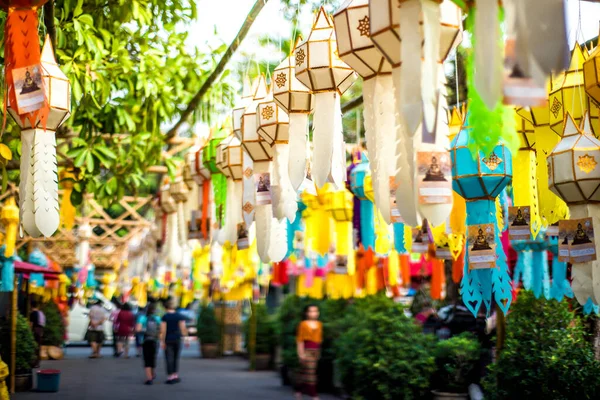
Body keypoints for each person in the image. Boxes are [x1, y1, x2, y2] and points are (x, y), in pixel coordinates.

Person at [295, 304, 322, 400]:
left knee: (305, 372)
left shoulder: (319, 324)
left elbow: (319, 339)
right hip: (306, 350)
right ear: (306, 313)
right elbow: (300, 340)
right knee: (311, 373)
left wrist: (319, 352)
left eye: (315, 311)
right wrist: (301, 353)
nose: (313, 313)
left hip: (316, 351)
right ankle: (313, 394)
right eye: (311, 311)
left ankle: (299, 390)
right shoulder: (303, 324)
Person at [160, 298, 188, 384]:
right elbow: (183, 328)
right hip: (177, 338)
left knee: (169, 358)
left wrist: (162, 341)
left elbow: (162, 330)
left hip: (168, 339)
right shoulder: (179, 316)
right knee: (176, 357)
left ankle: (170, 376)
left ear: (166, 307)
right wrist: (186, 339)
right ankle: (175, 375)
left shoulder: (165, 317)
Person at [136, 303, 161, 385]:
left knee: (147, 359)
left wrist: (144, 331)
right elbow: (161, 330)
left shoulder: (142, 318)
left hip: (145, 340)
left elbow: (138, 329)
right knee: (153, 357)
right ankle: (153, 373)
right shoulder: (157, 318)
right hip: (155, 340)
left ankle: (149, 378)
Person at [29, 299, 46, 367]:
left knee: (34, 347)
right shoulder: (40, 313)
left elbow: (31, 324)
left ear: (31, 306)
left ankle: (34, 362)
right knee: (38, 347)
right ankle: (37, 362)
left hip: (35, 331)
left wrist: (29, 332)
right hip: (40, 330)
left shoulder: (32, 313)